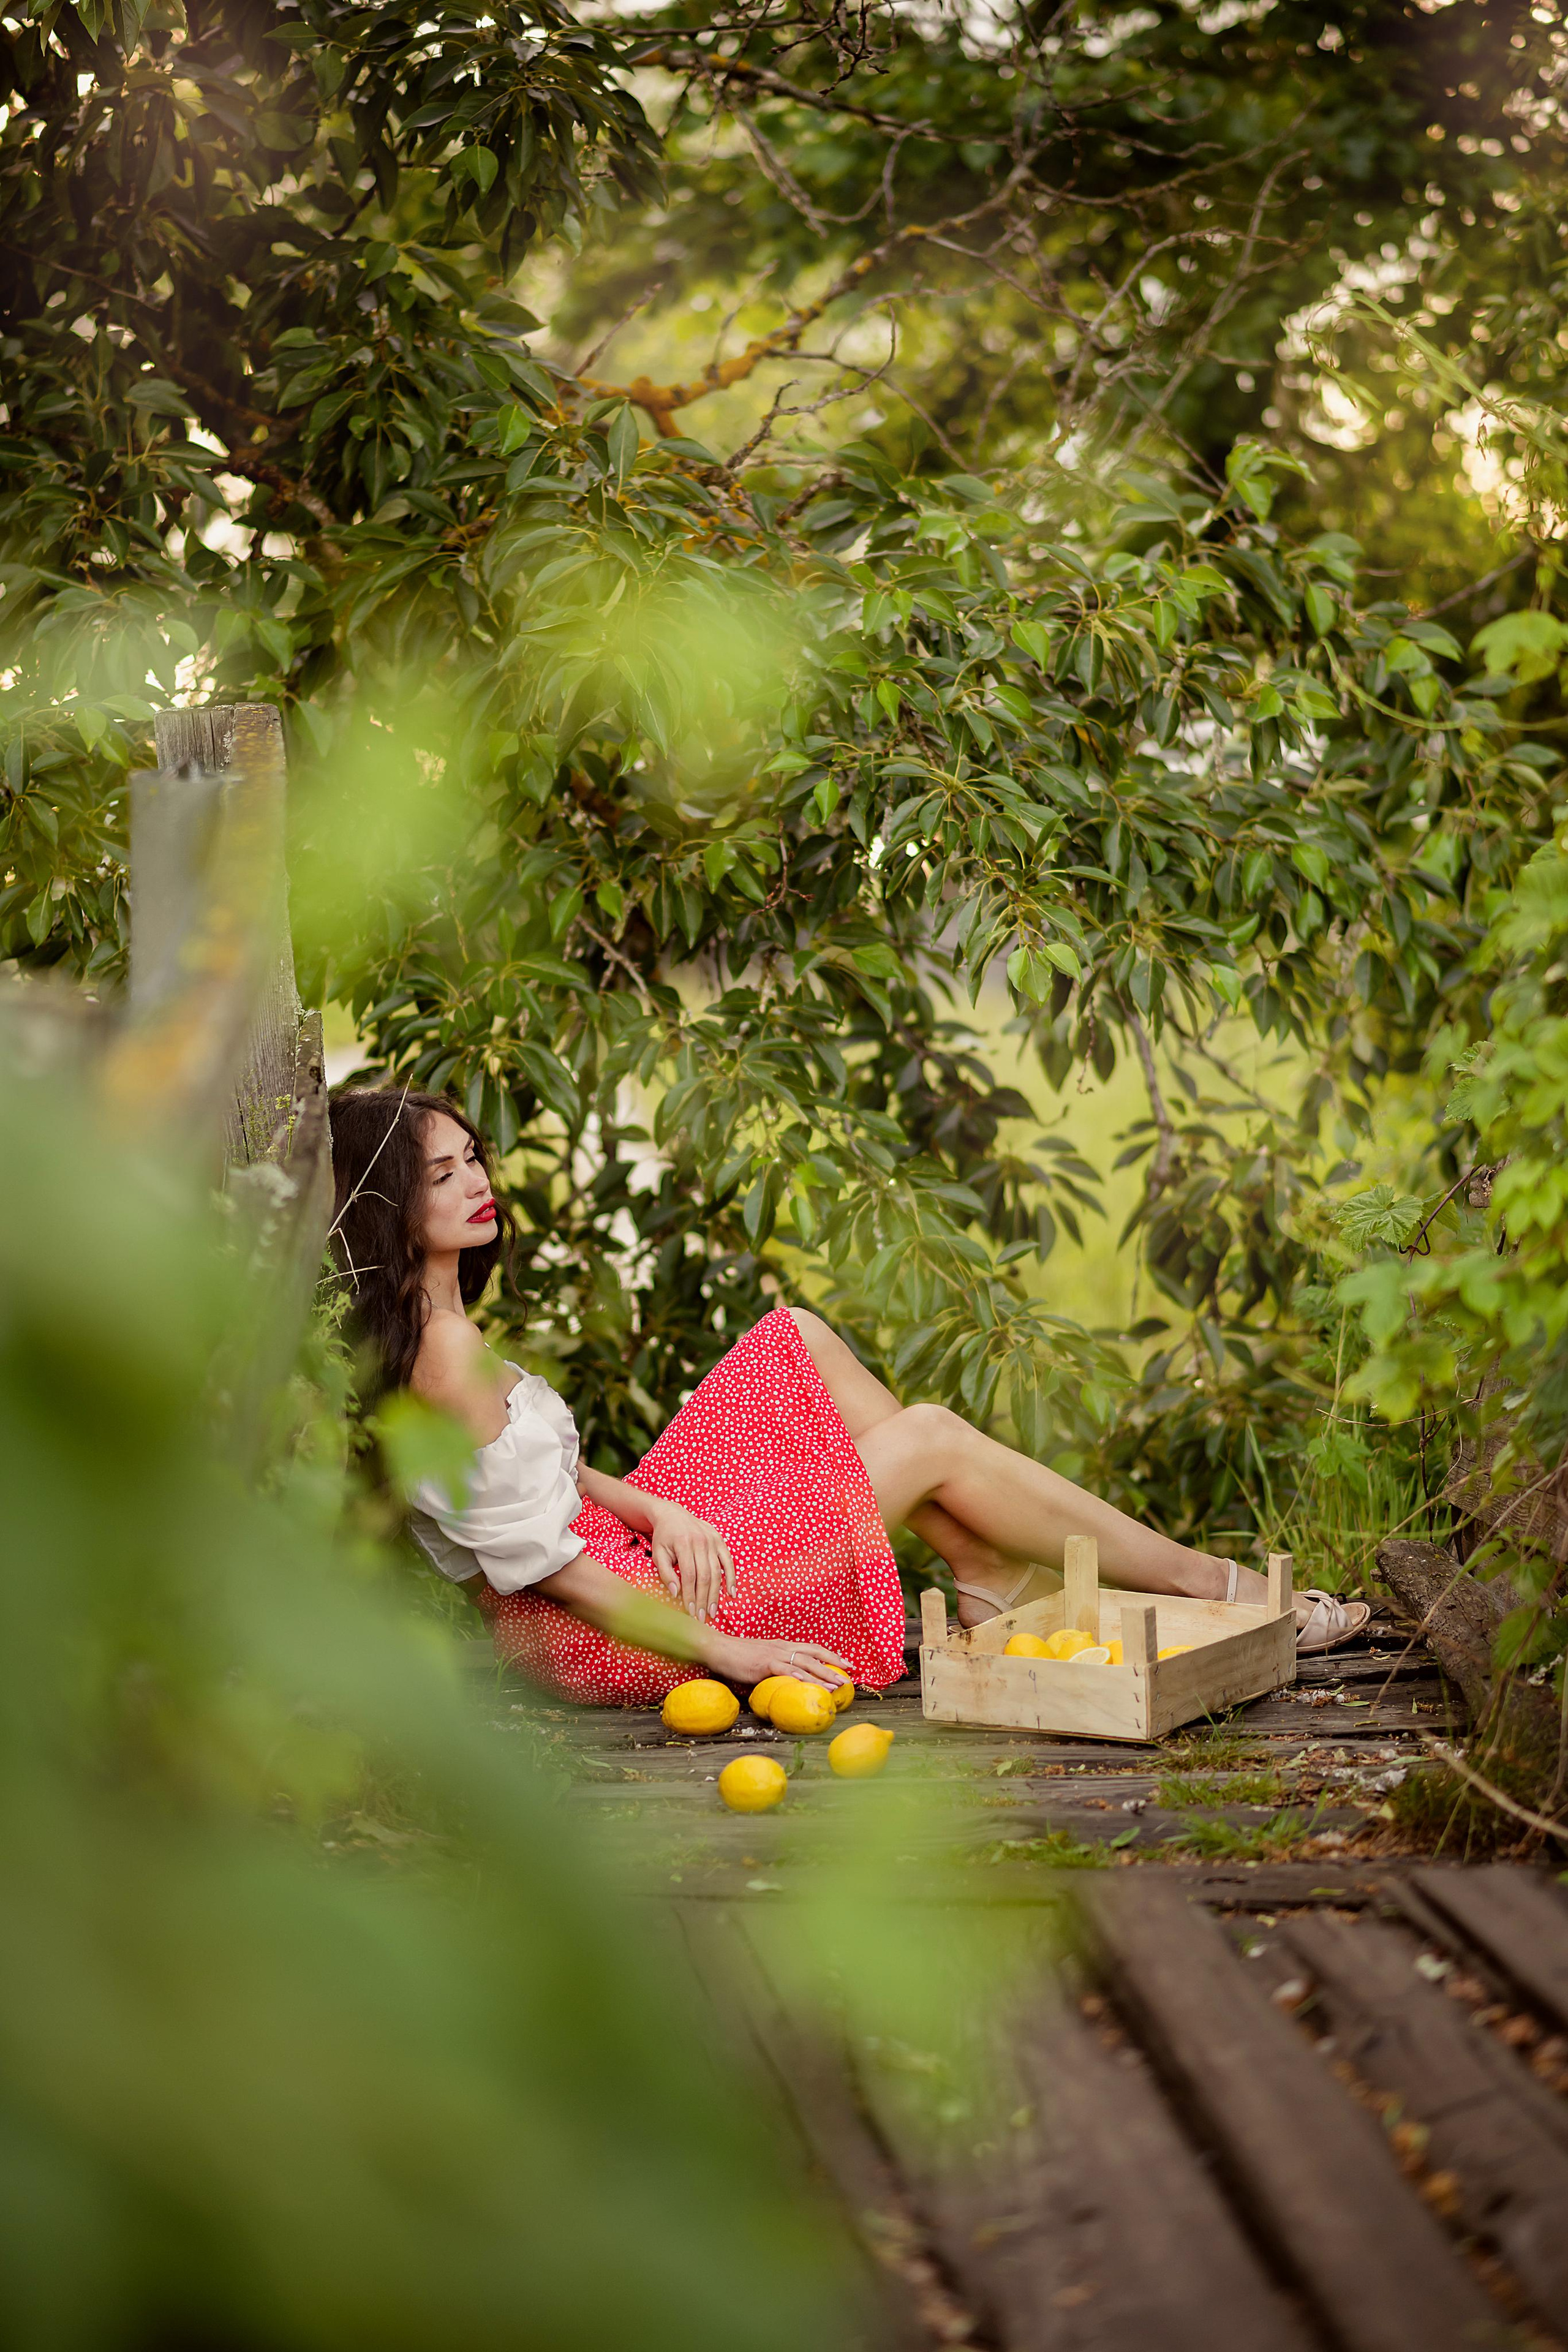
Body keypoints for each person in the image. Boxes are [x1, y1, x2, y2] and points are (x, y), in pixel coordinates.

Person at [328, 1087, 1369, 1705]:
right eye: (440, 1174)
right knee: (927, 1441)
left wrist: (658, 1504)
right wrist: (732, 1652)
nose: (475, 1183)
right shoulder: (441, 1354)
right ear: (385, 1206)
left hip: (627, 1553)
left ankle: (985, 1570)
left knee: (797, 1339)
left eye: (474, 1158)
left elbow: (537, 1482)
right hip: (606, 1627)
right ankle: (1212, 1587)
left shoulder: (438, 1330)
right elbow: (548, 1571)